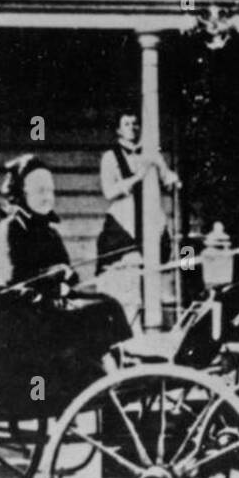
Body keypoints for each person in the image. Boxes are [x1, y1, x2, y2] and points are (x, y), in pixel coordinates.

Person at [0, 154, 131, 395]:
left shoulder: (48, 230)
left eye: (51, 190)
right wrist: (49, 276)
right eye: (39, 190)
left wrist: (65, 274)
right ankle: (98, 377)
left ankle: (114, 373)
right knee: (99, 312)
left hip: (54, 307)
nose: (47, 197)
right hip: (28, 316)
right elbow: (12, 281)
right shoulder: (10, 229)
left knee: (109, 305)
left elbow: (70, 274)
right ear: (21, 193)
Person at [96, 110, 179, 322]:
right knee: (127, 279)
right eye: (126, 124)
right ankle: (130, 327)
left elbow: (166, 174)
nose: (132, 128)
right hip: (125, 224)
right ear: (117, 129)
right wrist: (137, 178)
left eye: (135, 123)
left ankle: (153, 321)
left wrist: (172, 180)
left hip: (151, 221)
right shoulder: (110, 157)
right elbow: (109, 191)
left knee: (154, 274)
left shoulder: (150, 154)